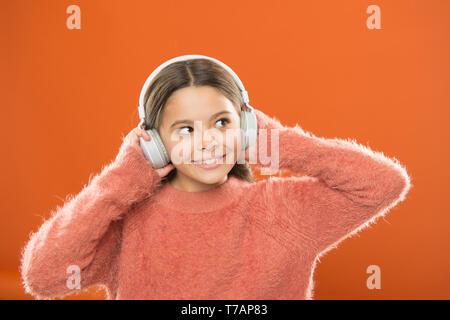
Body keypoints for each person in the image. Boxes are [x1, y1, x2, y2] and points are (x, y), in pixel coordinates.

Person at [19, 57, 412, 300]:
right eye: (185, 129)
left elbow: (383, 182)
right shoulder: (126, 219)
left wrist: (278, 144)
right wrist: (121, 180)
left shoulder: (283, 210)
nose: (207, 141)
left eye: (221, 122)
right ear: (155, 143)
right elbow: (43, 276)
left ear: (245, 127)